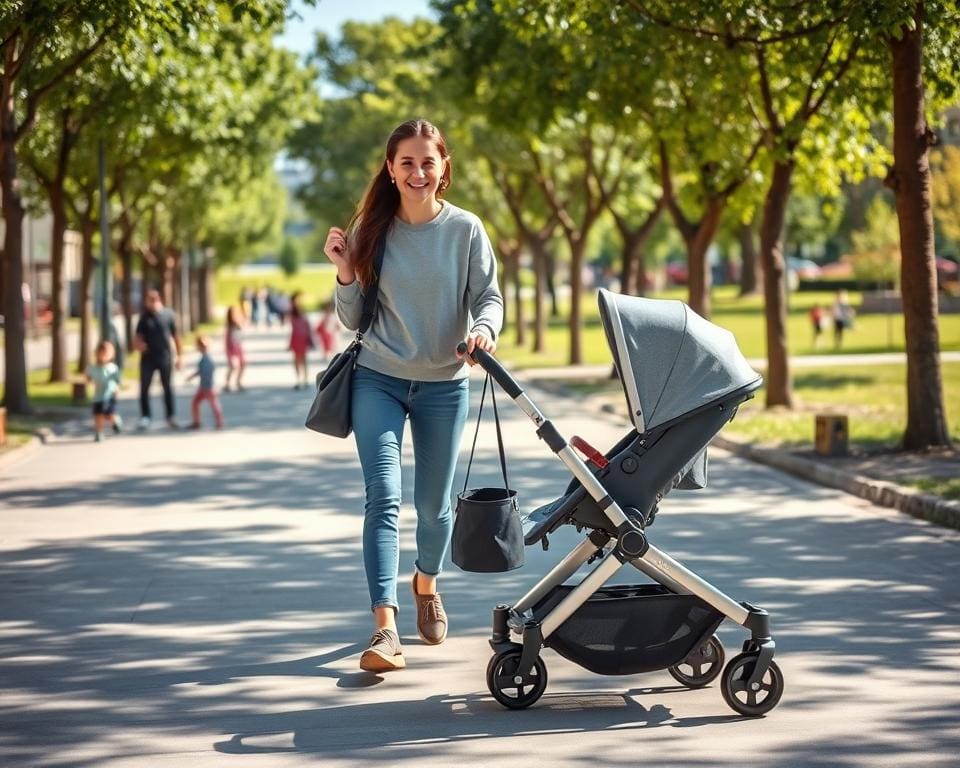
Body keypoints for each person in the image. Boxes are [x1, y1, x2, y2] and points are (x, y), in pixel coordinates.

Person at [323, 118, 503, 673]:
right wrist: (346, 273)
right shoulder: (370, 231)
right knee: (383, 495)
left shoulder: (467, 230)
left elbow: (489, 298)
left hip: (443, 385)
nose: (418, 171)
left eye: (428, 161)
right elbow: (351, 318)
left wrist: (483, 332)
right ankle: (385, 629)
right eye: (407, 162)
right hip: (377, 377)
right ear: (390, 168)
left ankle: (426, 581)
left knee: (435, 507)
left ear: (443, 167)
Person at [134, 289, 182, 430]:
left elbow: (176, 337)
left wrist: (180, 356)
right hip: (148, 358)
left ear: (159, 299)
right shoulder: (144, 318)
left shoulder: (168, 315)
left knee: (167, 387)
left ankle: (170, 416)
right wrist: (139, 345)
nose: (153, 302)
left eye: (155, 299)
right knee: (144, 388)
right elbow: (137, 338)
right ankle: (145, 416)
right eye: (150, 300)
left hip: (165, 357)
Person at [85, 340, 123, 442]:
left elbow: (118, 381)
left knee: (109, 414)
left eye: (106, 354)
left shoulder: (113, 368)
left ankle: (115, 422)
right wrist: (88, 381)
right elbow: (88, 377)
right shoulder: (92, 368)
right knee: (98, 415)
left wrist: (117, 390)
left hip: (109, 395)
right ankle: (99, 432)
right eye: (101, 353)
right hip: (98, 396)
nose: (103, 356)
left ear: (111, 355)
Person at [187, 335, 224, 429]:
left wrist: (208, 383)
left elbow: (208, 371)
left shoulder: (207, 359)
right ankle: (197, 422)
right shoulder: (205, 358)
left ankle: (219, 422)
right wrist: (192, 377)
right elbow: (201, 371)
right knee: (196, 403)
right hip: (203, 386)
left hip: (208, 387)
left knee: (213, 404)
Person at [288, 291, 313, 390]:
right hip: (296, 337)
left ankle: (305, 380)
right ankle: (299, 380)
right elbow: (293, 327)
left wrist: (310, 338)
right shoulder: (292, 312)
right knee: (297, 360)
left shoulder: (302, 311)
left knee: (304, 359)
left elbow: (307, 325)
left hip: (303, 337)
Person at [224, 305, 247, 392]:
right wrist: (228, 352)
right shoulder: (229, 327)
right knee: (232, 366)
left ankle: (239, 382)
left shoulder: (239, 324)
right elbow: (226, 340)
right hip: (231, 349)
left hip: (239, 348)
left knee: (243, 365)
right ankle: (227, 383)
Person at [315, 298, 341, 363]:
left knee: (331, 344)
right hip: (325, 333)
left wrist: (337, 327)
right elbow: (320, 324)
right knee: (325, 345)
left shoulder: (333, 316)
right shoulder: (324, 316)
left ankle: (331, 355)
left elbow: (337, 325)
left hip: (331, 333)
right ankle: (326, 355)